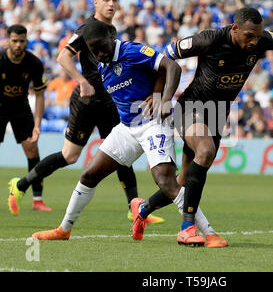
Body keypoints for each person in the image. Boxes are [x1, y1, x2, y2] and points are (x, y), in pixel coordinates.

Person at [31, 20, 227, 249]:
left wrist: (162, 99)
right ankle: (63, 230)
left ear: (111, 38)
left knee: (165, 180)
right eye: (94, 51)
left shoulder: (132, 51)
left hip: (153, 124)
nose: (100, 53)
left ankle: (208, 233)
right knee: (89, 175)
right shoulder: (102, 64)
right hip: (126, 128)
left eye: (102, 47)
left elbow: (171, 66)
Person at [7, 0, 163, 224]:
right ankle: (20, 185)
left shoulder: (110, 29)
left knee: (122, 152)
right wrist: (81, 81)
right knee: (69, 156)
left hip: (109, 100)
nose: (111, 4)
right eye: (106, 0)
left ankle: (134, 210)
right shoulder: (88, 29)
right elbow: (63, 56)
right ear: (95, 3)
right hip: (86, 101)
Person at [160, 7, 273, 245]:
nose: (254, 41)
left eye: (257, 36)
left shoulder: (260, 39)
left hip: (218, 114)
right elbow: (166, 56)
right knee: (205, 151)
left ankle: (143, 210)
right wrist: (161, 96)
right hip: (190, 107)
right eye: (249, 36)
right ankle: (187, 227)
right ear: (235, 29)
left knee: (183, 179)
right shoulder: (209, 39)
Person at [1, 24, 48, 212]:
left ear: (26, 41)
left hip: (21, 107)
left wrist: (37, 125)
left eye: (22, 41)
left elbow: (40, 95)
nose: (18, 45)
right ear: (8, 41)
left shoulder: (34, 63)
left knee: (32, 150)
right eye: (15, 41)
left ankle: (37, 200)